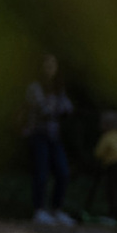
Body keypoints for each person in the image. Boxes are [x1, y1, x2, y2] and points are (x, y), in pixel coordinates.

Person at [23, 54, 75, 224]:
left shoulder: (58, 88)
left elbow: (68, 107)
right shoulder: (35, 87)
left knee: (63, 172)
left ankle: (56, 210)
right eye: (47, 65)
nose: (50, 68)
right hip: (38, 135)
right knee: (41, 173)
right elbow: (44, 111)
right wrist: (58, 111)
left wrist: (59, 111)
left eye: (53, 65)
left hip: (54, 136)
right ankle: (39, 210)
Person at [92, 112, 117, 222]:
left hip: (113, 167)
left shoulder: (107, 137)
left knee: (111, 190)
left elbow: (98, 153)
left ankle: (112, 216)